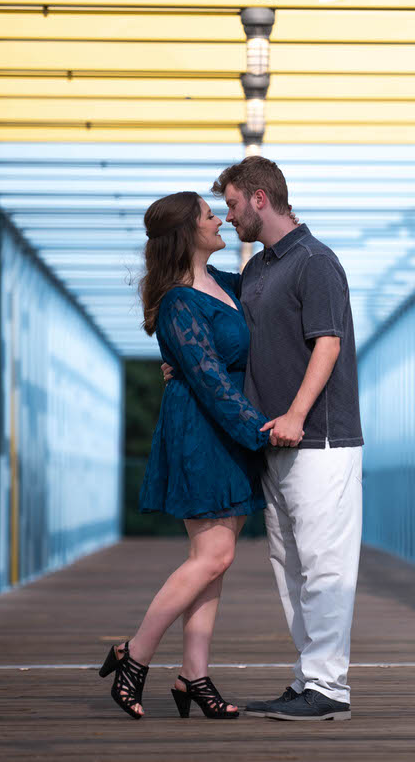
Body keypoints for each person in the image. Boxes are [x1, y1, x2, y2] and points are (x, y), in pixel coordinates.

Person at [165, 156, 363, 721]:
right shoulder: (256, 271)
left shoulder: (316, 262)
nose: (226, 219)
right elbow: (204, 305)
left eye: (229, 205)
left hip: (321, 439)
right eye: (219, 210)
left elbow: (328, 343)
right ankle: (310, 682)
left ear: (258, 199)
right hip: (273, 444)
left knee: (325, 566)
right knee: (292, 569)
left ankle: (330, 688)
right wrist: (177, 356)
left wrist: (298, 413)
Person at [99, 190, 297, 720]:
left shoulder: (226, 284)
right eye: (211, 216)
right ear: (188, 232)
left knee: (213, 565)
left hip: (227, 431)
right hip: (204, 432)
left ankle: (194, 676)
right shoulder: (179, 302)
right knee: (213, 558)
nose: (221, 221)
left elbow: (252, 324)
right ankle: (135, 657)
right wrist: (261, 429)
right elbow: (209, 379)